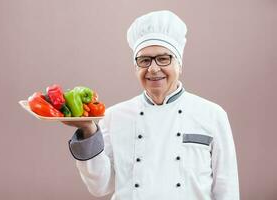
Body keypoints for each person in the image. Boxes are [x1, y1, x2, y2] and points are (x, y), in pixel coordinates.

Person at [62, 10, 240, 200]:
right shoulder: (113, 116)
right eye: (144, 60)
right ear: (135, 67)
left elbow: (226, 188)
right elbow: (100, 187)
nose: (153, 69)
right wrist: (89, 131)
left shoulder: (212, 114)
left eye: (163, 58)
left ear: (179, 63)